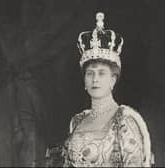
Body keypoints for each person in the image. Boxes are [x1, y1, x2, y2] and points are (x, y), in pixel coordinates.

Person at [46, 12, 154, 167]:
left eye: (101, 73)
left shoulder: (125, 121)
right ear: (84, 80)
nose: (95, 79)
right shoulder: (77, 121)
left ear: (113, 80)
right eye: (90, 73)